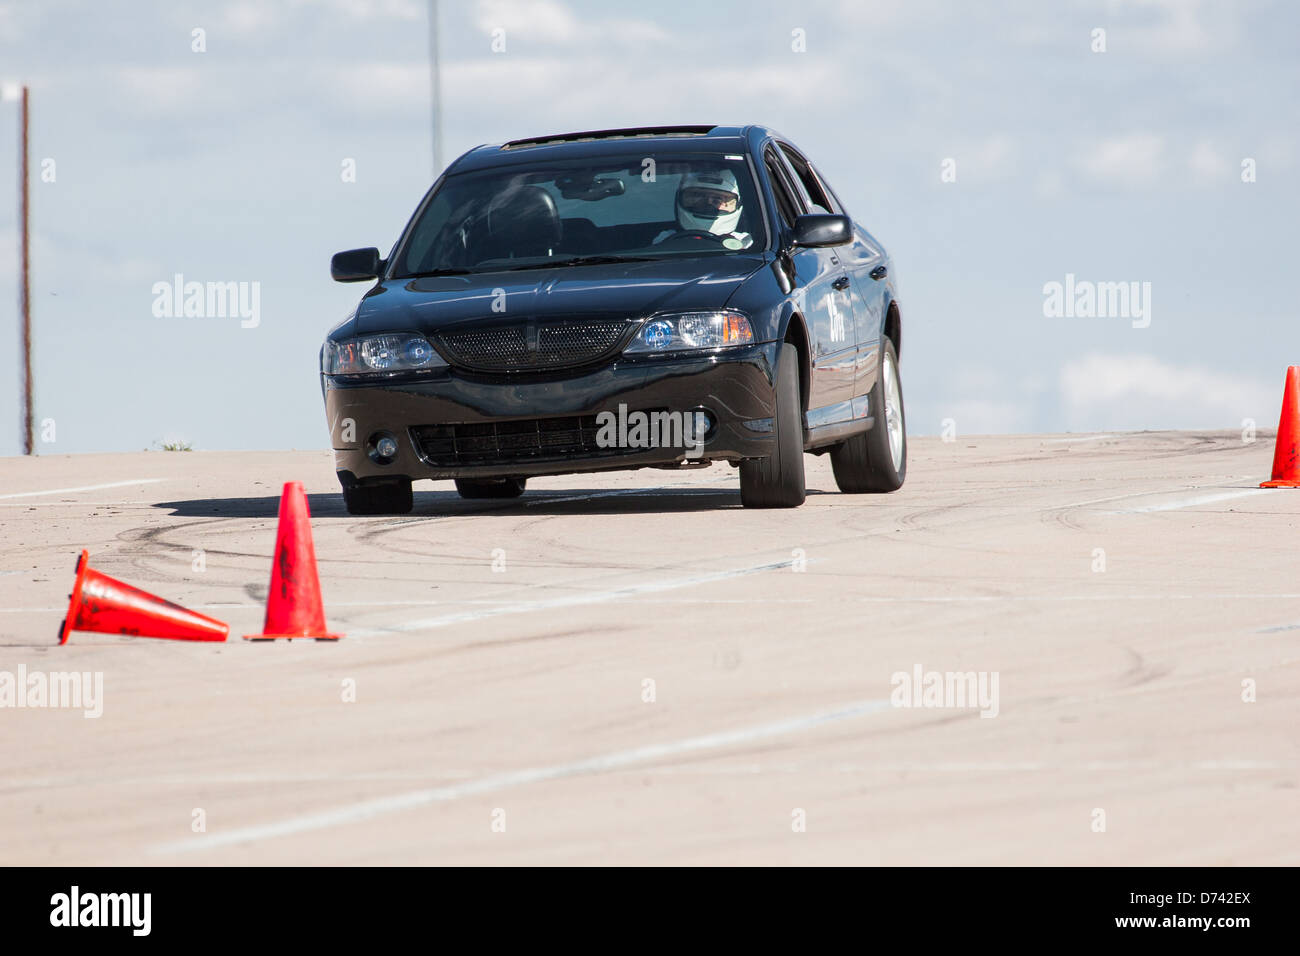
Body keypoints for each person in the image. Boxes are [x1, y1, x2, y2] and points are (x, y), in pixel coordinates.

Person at [653, 168, 753, 250]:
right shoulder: (666, 239)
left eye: (718, 199)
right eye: (697, 196)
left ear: (738, 204)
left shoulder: (746, 243)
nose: (708, 204)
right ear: (679, 198)